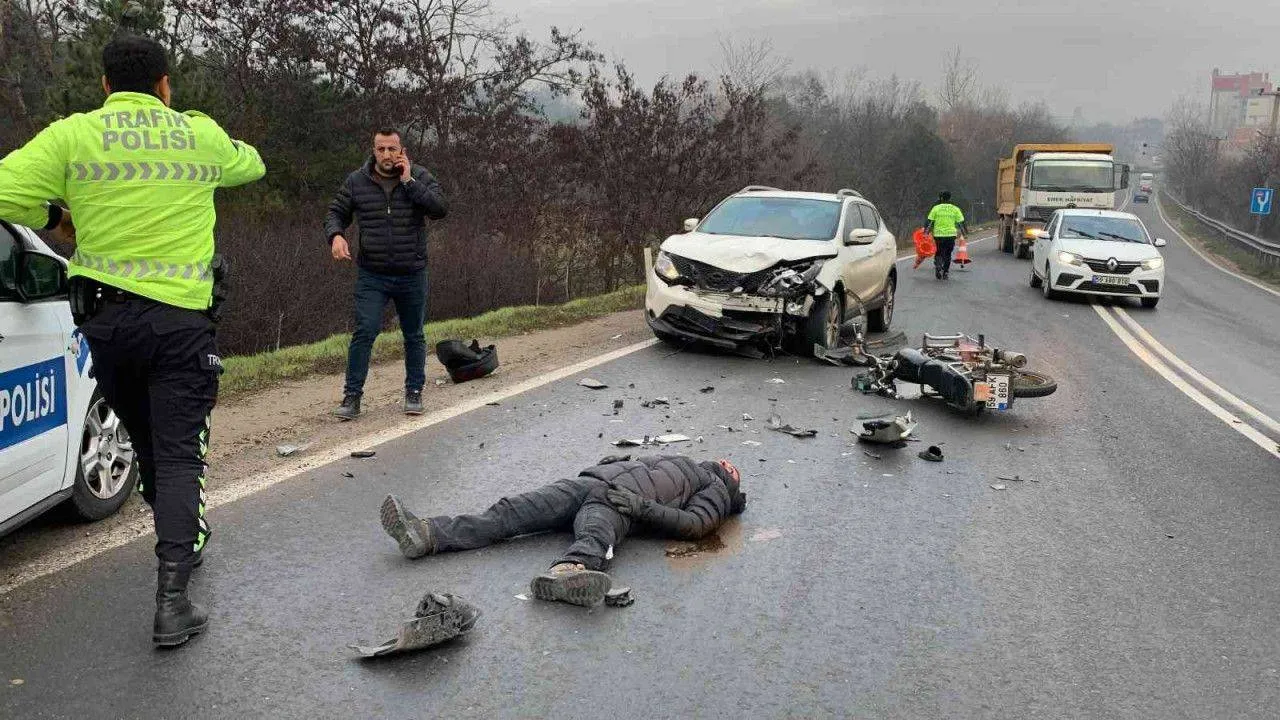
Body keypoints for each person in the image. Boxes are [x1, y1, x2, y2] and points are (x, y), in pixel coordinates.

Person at [0, 35, 266, 647]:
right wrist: (195, 125)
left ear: (104, 84)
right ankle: (172, 600)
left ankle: (179, 532)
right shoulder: (195, 133)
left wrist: (54, 218)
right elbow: (251, 163)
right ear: (165, 83)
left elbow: (5, 188)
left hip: (108, 328)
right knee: (177, 455)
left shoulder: (75, 134)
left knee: (148, 444)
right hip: (181, 328)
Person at [379, 455, 748, 606]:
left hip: (617, 503)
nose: (725, 463)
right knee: (511, 511)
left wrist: (640, 508)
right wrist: (610, 464)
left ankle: (567, 573)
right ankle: (426, 534)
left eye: (730, 469)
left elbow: (696, 525)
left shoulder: (716, 489)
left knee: (595, 537)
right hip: (588, 484)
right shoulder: (682, 460)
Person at [324, 128, 448, 420]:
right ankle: (352, 397)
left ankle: (414, 391)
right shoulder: (357, 181)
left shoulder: (419, 175)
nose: (387, 155)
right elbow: (335, 212)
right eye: (381, 149)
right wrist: (336, 236)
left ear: (402, 150)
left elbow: (440, 209)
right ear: (374, 151)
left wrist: (409, 182)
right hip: (373, 274)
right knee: (365, 331)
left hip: (412, 271)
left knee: (413, 334)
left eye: (392, 149)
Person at [925, 191, 968, 280]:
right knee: (948, 254)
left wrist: (926, 233)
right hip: (950, 235)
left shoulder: (936, 208)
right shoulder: (955, 209)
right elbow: (961, 223)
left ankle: (938, 266)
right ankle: (945, 272)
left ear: (941, 198)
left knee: (939, 251)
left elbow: (930, 222)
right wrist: (965, 234)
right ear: (950, 198)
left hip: (938, 235)